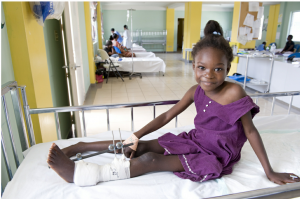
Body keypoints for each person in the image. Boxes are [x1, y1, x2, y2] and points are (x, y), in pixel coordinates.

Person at [47, 20, 299, 186]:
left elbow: (251, 131)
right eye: (202, 68)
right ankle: (80, 146)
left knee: (149, 161)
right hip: (195, 140)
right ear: (193, 66)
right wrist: (135, 134)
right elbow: (167, 116)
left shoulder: (234, 92)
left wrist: (269, 171)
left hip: (216, 154)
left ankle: (84, 175)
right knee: (139, 146)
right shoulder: (195, 90)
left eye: (218, 69)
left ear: (228, 69)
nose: (209, 75)